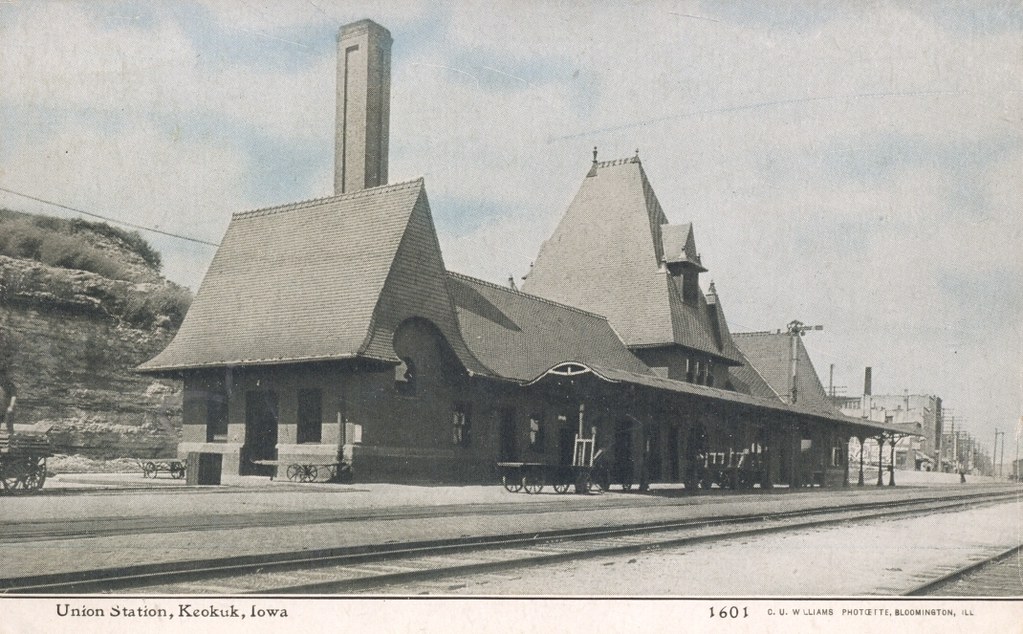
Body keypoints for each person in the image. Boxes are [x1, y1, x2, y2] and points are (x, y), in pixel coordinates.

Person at [0, 371, 15, 435]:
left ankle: (10, 433)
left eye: (3, 377)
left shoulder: (10, 385)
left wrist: (11, 406)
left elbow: (13, 396)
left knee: (9, 417)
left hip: (7, 406)